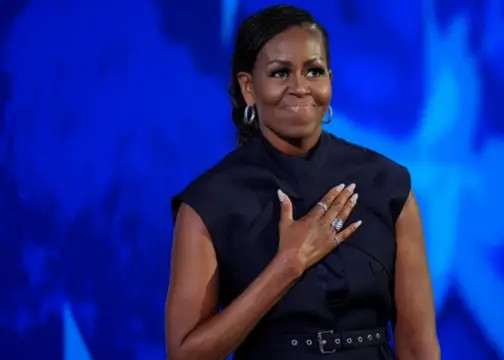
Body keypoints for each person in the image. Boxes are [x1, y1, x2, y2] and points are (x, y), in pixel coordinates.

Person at [165, 5, 439, 360]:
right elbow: (185, 355)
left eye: (313, 71)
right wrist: (287, 266)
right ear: (249, 88)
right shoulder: (209, 202)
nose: (300, 88)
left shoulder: (387, 184)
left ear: (330, 81)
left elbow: (418, 347)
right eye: (280, 73)